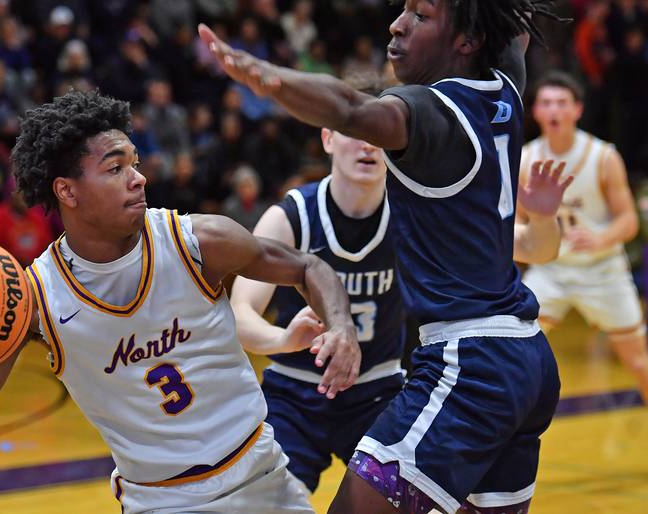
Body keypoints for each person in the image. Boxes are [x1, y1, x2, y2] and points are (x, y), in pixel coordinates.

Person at [200, 0, 572, 512]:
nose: (396, 26)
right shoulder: (504, 85)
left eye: (421, 16)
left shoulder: (430, 114)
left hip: (466, 364)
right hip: (524, 358)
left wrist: (269, 77)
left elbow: (352, 110)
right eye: (401, 11)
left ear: (465, 40)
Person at [0, 90, 361, 514]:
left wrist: (340, 325)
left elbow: (306, 267)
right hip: (161, 502)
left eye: (133, 163)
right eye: (115, 168)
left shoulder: (198, 241)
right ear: (66, 191)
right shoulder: (34, 300)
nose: (138, 179)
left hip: (262, 479)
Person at [231, 125, 571, 497]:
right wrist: (282, 339)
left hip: (377, 393)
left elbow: (535, 250)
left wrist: (541, 219)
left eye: (379, 135)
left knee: (409, 501)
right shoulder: (291, 215)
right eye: (354, 131)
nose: (368, 144)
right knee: (268, 504)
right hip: (295, 395)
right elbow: (241, 312)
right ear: (328, 139)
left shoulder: (415, 214)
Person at [521, 71, 648, 402]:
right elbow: (516, 227)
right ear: (535, 111)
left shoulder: (603, 156)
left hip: (602, 269)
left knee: (638, 361)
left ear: (577, 110)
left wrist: (601, 237)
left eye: (562, 103)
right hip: (551, 270)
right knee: (511, 353)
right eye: (546, 103)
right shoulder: (525, 159)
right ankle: (505, 442)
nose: (554, 110)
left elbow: (629, 220)